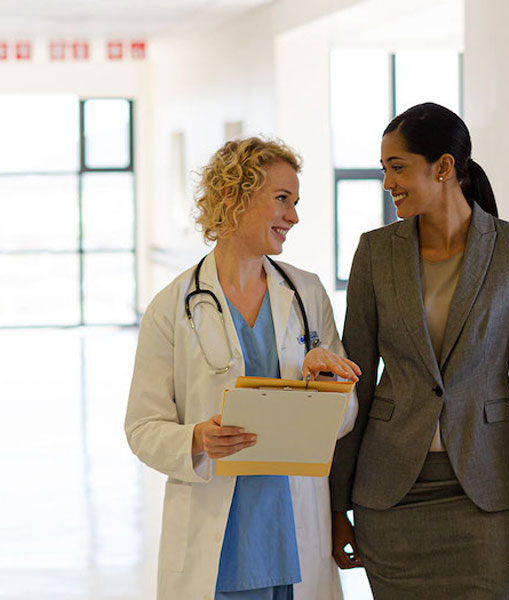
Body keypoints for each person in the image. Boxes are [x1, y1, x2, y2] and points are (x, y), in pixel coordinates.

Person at [330, 103, 509, 599]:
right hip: (390, 496)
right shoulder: (375, 252)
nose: (388, 183)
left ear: (443, 167)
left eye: (397, 167)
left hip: (486, 499)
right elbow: (352, 383)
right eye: (384, 170)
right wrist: (336, 506)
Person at [125, 137, 361, 600]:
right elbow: (142, 427)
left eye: (295, 202)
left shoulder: (307, 295)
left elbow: (347, 412)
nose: (293, 216)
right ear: (234, 196)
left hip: (294, 536)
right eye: (281, 199)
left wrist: (327, 385)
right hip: (218, 542)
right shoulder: (172, 307)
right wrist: (195, 438)